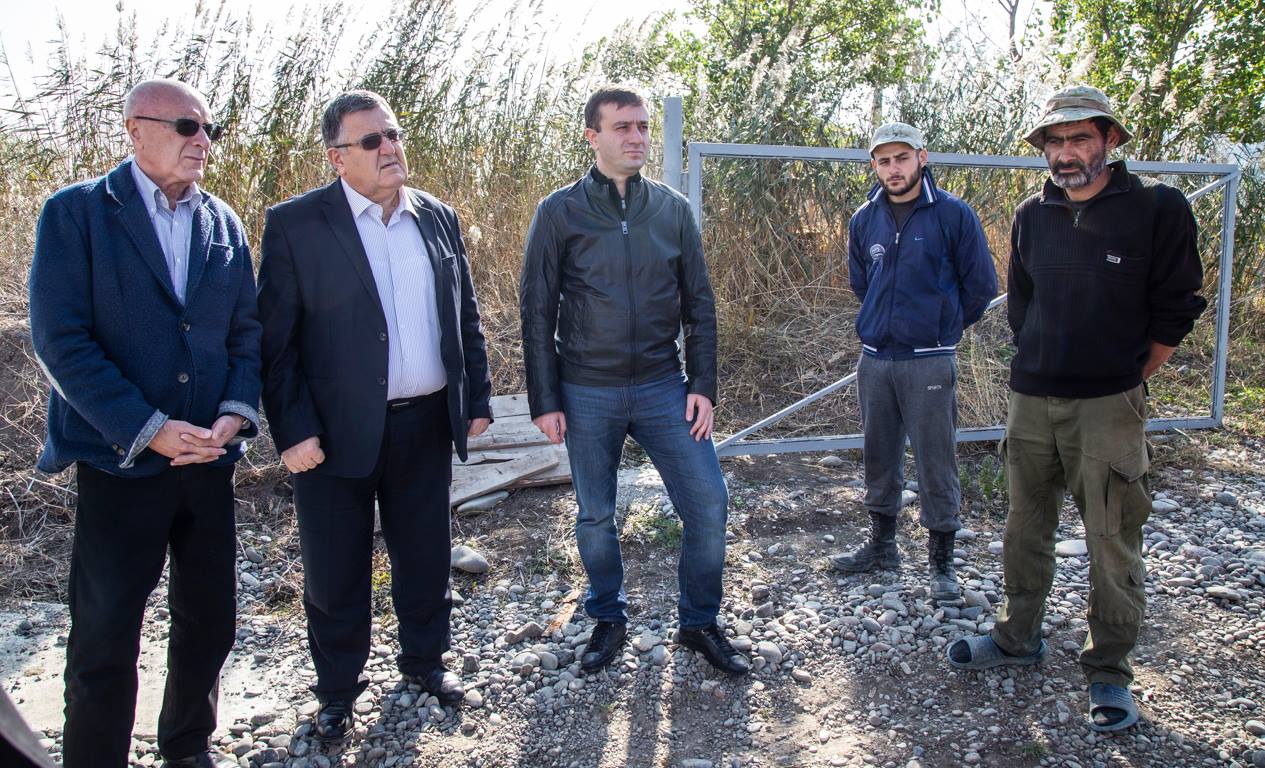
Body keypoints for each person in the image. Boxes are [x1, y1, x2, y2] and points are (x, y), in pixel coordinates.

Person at [946, 85, 1207, 734]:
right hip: (1031, 400)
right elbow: (1023, 304)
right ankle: (1016, 638)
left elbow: (1176, 309)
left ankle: (1109, 671)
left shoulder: (1156, 209)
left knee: (1112, 539)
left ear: (1109, 140)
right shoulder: (1032, 215)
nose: (1065, 153)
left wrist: (1122, 377)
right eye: (1054, 142)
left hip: (1108, 405)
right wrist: (1043, 360)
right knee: (1023, 528)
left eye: (1079, 139)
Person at [29, 78, 260, 768]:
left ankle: (186, 747)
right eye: (187, 126)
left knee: (209, 622)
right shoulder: (76, 213)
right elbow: (61, 341)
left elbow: (245, 335)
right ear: (135, 130)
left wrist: (233, 414)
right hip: (120, 462)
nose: (202, 141)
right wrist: (147, 426)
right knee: (104, 637)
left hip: (207, 462)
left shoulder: (224, 223)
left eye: (210, 129)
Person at [257, 89, 492, 740]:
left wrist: (473, 397)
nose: (389, 148)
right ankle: (337, 692)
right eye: (371, 140)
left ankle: (425, 665)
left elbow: (463, 313)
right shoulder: (297, 225)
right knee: (336, 570)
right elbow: (275, 343)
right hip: (332, 434)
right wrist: (292, 429)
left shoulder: (436, 216)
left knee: (425, 555)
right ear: (338, 158)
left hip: (425, 423)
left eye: (392, 135)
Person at [519, 86, 748, 676]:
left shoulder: (672, 210)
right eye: (622, 127)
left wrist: (703, 384)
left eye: (643, 126)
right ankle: (607, 617)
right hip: (586, 390)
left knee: (709, 504)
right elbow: (537, 310)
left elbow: (700, 304)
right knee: (596, 515)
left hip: (662, 385)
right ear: (592, 136)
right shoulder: (559, 211)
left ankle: (699, 622)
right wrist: (545, 397)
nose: (637, 137)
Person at [830, 122, 997, 604]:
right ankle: (883, 546)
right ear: (874, 166)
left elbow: (980, 287)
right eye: (883, 160)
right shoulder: (865, 218)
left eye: (902, 158)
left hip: (929, 360)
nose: (893, 168)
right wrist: (884, 322)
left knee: (935, 459)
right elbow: (862, 284)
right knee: (878, 454)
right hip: (876, 359)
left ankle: (941, 560)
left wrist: (941, 327)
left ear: (922, 158)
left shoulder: (953, 215)